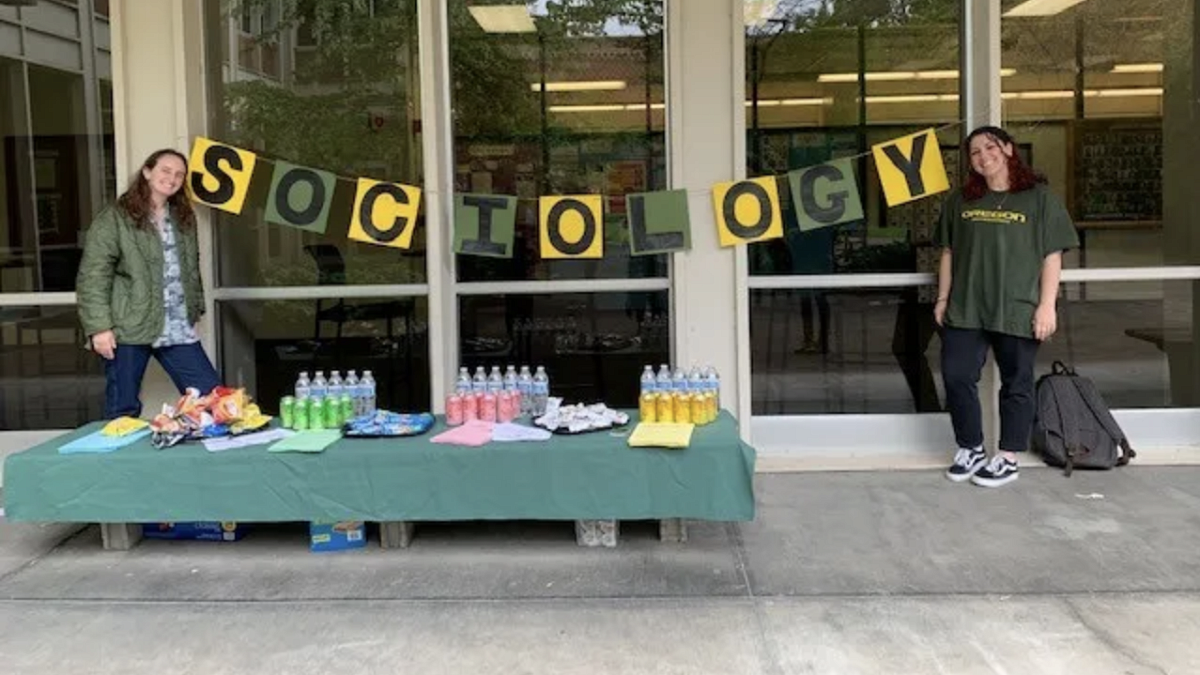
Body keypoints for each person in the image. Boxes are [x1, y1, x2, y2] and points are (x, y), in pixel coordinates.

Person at [935, 126, 1079, 488]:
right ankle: (970, 447)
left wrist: (1047, 306)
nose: (984, 157)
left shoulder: (1039, 199)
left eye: (990, 147)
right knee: (956, 376)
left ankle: (1008, 457)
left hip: (1017, 306)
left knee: (1017, 382)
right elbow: (948, 253)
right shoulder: (961, 201)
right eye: (975, 153)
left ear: (1009, 150)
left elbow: (1052, 255)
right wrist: (942, 297)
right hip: (967, 306)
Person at [76, 149, 222, 419]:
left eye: (179, 174)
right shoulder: (115, 218)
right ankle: (122, 462)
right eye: (165, 170)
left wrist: (194, 309)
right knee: (123, 410)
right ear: (147, 172)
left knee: (211, 400)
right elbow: (93, 276)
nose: (172, 178)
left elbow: (190, 269)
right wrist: (99, 328)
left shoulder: (182, 217)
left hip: (176, 325)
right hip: (129, 325)